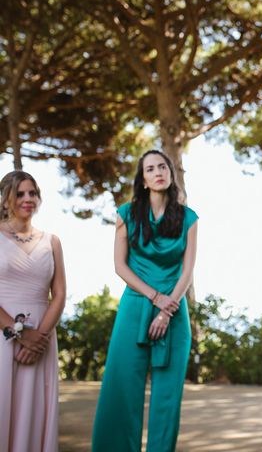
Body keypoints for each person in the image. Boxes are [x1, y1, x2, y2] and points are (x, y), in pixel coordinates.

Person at [92, 150, 198, 452]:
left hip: (174, 312)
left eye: (162, 166)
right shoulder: (125, 214)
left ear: (170, 173)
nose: (158, 172)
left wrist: (166, 310)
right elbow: (120, 266)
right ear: (143, 179)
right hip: (134, 306)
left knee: (168, 398)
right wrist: (154, 297)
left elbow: (188, 271)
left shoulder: (189, 219)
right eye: (150, 169)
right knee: (121, 389)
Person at [0, 170, 66, 451]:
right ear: (6, 199)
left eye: (33, 193)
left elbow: (59, 293)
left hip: (42, 337)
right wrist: (17, 333)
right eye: (21, 193)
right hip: (2, 338)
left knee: (35, 409)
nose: (28, 199)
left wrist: (39, 338)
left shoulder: (52, 241)